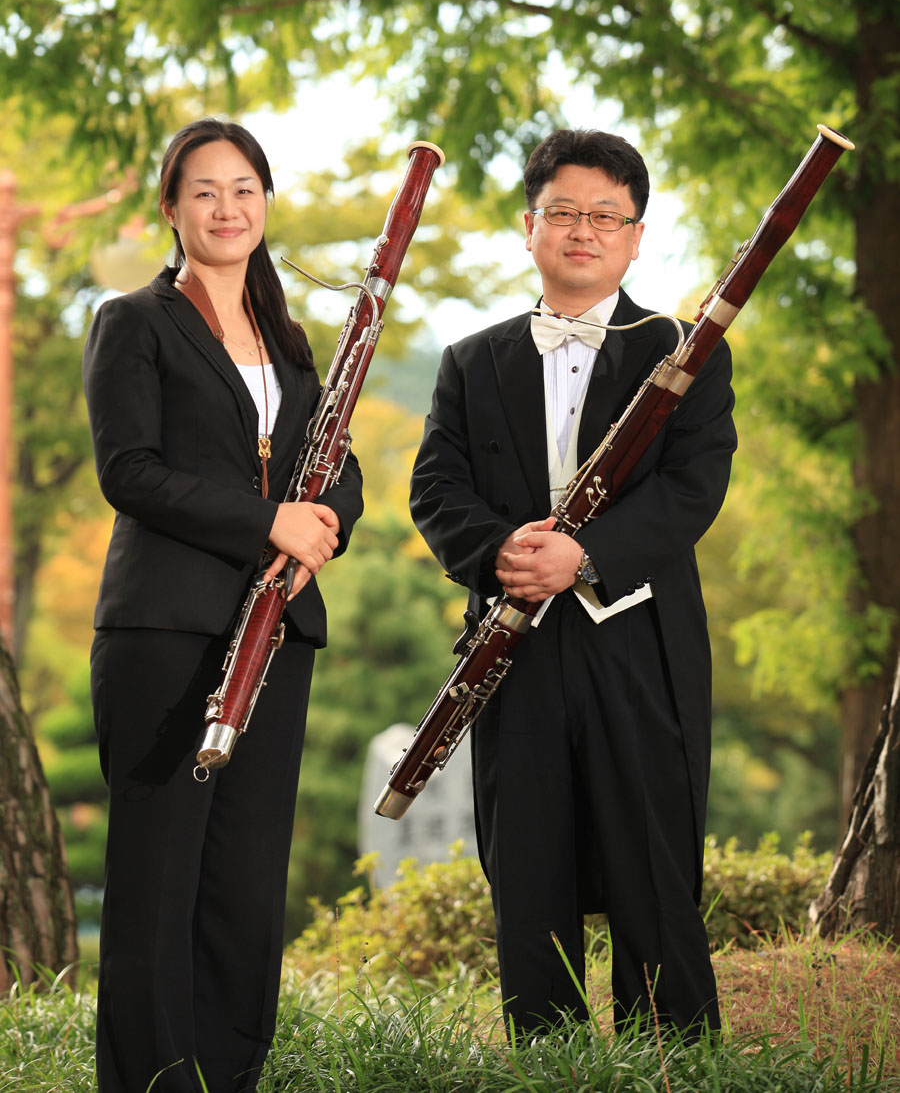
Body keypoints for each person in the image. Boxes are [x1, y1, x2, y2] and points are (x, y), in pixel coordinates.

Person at [409, 129, 736, 1039]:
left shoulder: (685, 349)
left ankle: (671, 1057)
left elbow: (693, 486)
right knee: (528, 865)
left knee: (652, 863)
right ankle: (547, 1058)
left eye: (605, 216)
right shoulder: (470, 358)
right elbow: (435, 488)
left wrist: (582, 555)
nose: (582, 230)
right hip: (514, 647)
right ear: (529, 228)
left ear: (636, 237)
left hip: (640, 642)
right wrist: (503, 551)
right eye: (562, 212)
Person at [83, 118, 364, 1092]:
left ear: (266, 203)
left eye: (244, 188)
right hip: (163, 630)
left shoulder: (289, 339)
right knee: (158, 880)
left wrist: (322, 528)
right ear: (172, 209)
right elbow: (130, 471)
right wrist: (269, 522)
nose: (227, 207)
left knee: (245, 880)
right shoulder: (134, 320)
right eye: (204, 190)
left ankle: (230, 1075)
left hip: (274, 629)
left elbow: (338, 464)